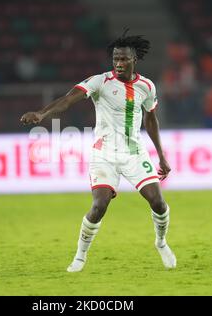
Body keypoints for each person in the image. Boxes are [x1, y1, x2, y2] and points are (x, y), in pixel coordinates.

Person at [21, 31, 176, 272]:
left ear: (134, 60)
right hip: (104, 154)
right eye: (115, 59)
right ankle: (80, 256)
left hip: (134, 152)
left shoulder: (147, 86)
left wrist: (162, 156)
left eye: (124, 59)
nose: (118, 63)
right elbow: (67, 99)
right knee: (99, 205)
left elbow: (151, 119)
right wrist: (42, 114)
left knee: (158, 202)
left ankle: (161, 242)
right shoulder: (100, 82)